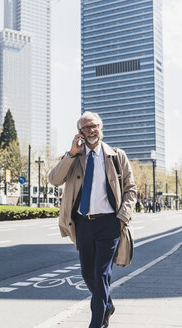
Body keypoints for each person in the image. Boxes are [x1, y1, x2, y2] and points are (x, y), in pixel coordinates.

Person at [49, 111, 137, 328]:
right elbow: (54, 180)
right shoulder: (74, 157)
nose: (90, 131)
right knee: (87, 272)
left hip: (110, 223)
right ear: (80, 132)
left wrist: (122, 218)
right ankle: (106, 304)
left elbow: (131, 189)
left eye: (94, 126)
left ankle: (96, 323)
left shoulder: (117, 156)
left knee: (101, 274)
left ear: (101, 128)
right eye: (85, 128)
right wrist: (71, 153)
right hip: (83, 223)